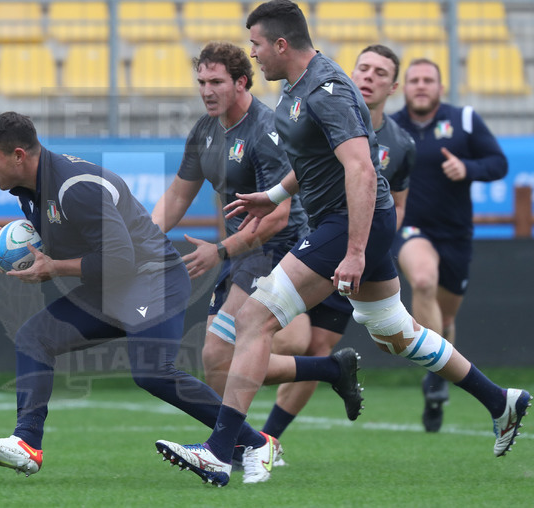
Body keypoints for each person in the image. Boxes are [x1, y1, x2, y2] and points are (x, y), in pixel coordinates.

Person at [154, 0, 530, 487]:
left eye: (257, 45)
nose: (254, 54)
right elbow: (313, 159)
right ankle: (501, 400)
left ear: (281, 44)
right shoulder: (297, 87)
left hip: (348, 223)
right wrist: (273, 195)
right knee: (396, 333)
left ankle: (221, 452)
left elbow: (361, 168)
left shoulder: (326, 89)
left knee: (253, 319)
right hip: (352, 224)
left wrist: (354, 251)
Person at [0, 111, 311, 483]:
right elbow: (74, 236)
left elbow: (120, 259)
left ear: (18, 155)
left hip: (154, 280)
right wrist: (14, 250)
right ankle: (27, 444)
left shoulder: (74, 187)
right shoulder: (30, 187)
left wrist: (53, 269)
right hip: (114, 286)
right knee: (35, 338)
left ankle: (255, 442)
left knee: (152, 373)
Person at [263, 44, 416, 444]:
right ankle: (250, 437)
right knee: (285, 338)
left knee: (319, 345)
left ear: (393, 87)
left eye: (380, 73)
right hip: (313, 240)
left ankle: (266, 440)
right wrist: (274, 198)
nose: (368, 77)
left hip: (355, 250)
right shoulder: (324, 105)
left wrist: (366, 248)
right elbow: (301, 172)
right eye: (363, 68)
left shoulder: (401, 144)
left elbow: (396, 204)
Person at [151, 41, 311, 398]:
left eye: (216, 82)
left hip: (276, 250)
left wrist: (220, 250)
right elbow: (178, 195)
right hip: (240, 252)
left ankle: (238, 436)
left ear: (241, 82)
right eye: (202, 82)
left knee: (219, 353)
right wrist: (143, 239)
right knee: (218, 361)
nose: (207, 91)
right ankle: (329, 369)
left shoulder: (266, 131)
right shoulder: (204, 130)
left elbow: (278, 217)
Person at [390, 58, 509, 433]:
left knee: (446, 320)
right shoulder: (391, 127)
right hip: (410, 229)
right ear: (403, 87)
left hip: (455, 235)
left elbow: (499, 163)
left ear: (440, 87)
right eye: (414, 80)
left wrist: (468, 169)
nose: (421, 85)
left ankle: (435, 384)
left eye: (428, 80)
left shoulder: (465, 120)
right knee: (423, 280)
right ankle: (437, 377)